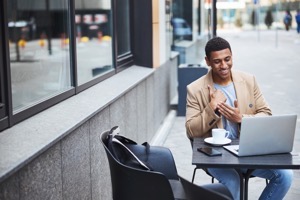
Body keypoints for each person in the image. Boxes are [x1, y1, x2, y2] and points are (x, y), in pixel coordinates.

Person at [185, 36, 293, 200]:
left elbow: (266, 113)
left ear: (232, 56)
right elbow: (191, 130)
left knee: (285, 175)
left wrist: (241, 118)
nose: (223, 66)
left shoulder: (249, 81)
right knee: (234, 182)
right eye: (217, 61)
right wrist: (211, 107)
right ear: (207, 61)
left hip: (247, 151)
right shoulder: (195, 89)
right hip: (216, 156)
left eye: (227, 59)